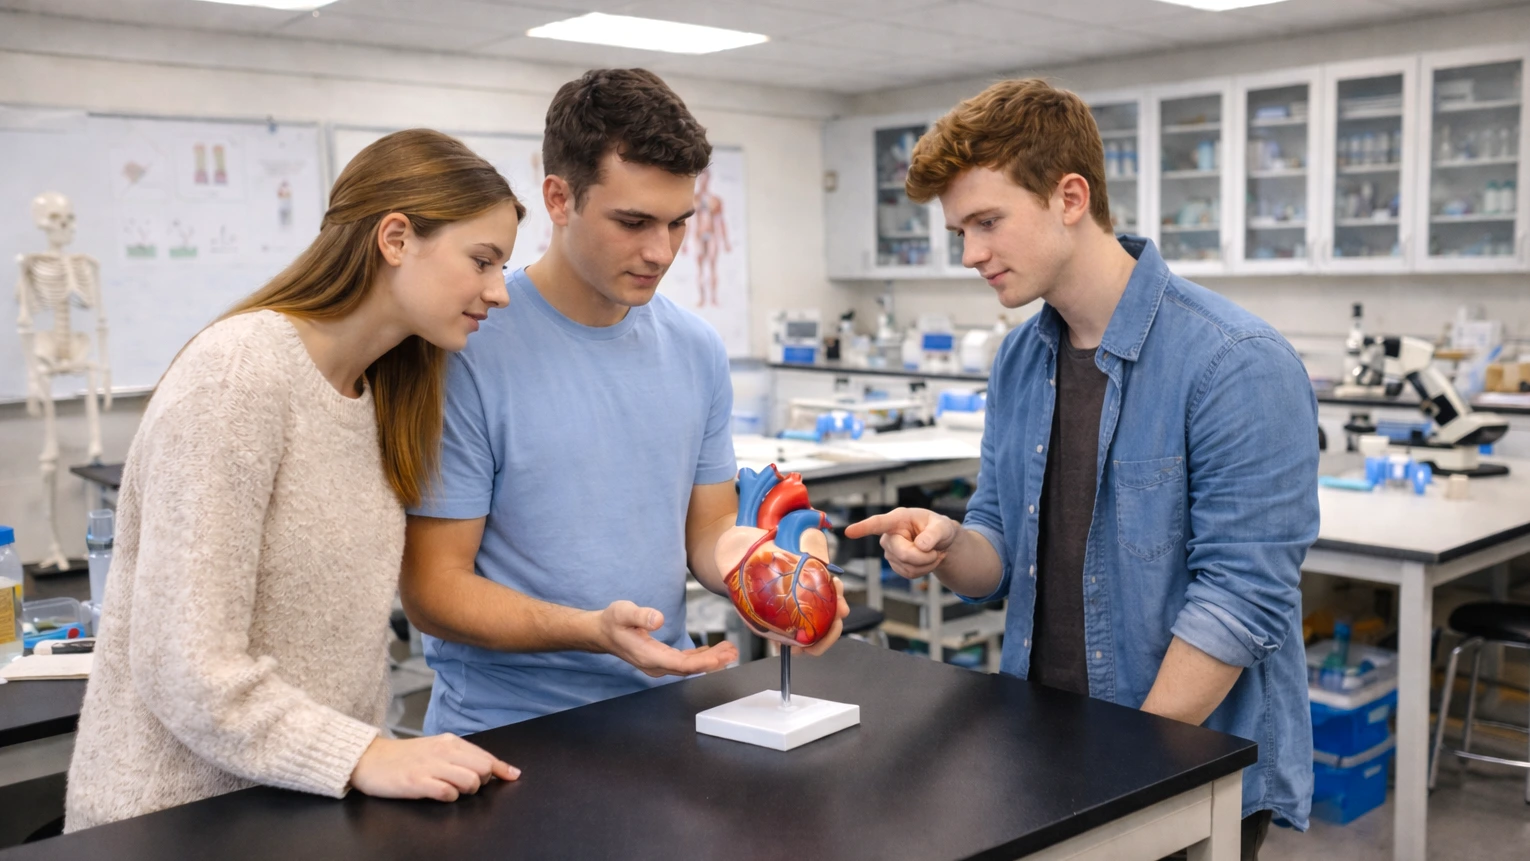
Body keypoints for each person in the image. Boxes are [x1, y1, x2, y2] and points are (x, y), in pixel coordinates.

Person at [846, 79, 1318, 860]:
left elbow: (1241, 598)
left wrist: (1127, 768)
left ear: (1071, 196)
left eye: (987, 222)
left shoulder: (1235, 362)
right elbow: (997, 548)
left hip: (1176, 762)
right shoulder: (1020, 359)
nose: (970, 254)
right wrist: (947, 542)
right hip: (1044, 744)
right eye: (960, 229)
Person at [66, 129, 525, 831]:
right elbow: (184, 667)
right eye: (483, 260)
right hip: (175, 821)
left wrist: (365, 756)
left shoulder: (385, 392)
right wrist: (365, 753)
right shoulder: (238, 375)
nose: (500, 291)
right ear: (395, 238)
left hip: (299, 804)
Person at [400, 68, 848, 736]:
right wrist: (591, 631)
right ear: (558, 197)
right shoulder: (466, 345)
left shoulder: (696, 348)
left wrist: (774, 577)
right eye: (632, 221)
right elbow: (433, 591)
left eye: (678, 223)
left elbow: (708, 532)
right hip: (505, 734)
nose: (660, 251)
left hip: (662, 714)